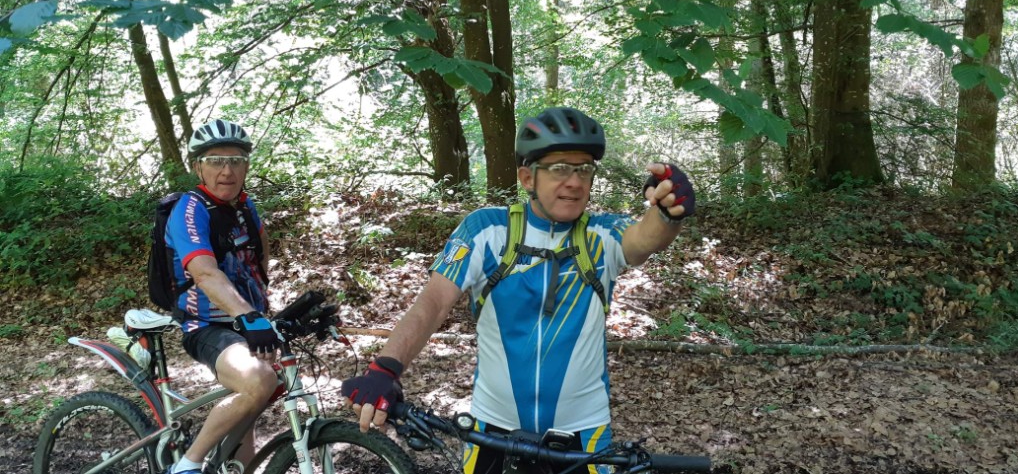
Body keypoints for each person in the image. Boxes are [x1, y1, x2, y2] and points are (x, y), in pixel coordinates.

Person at [341, 107, 695, 474]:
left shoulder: (602, 235)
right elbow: (432, 302)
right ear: (528, 177)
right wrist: (385, 368)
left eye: (584, 169)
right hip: (493, 431)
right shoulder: (487, 231)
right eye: (560, 168)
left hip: (584, 436)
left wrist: (668, 211)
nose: (575, 182)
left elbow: (645, 238)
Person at [163, 119, 280, 474]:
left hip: (247, 320)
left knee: (252, 407)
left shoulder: (245, 206)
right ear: (197, 167)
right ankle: (187, 464)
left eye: (236, 160)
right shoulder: (190, 209)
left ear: (246, 166)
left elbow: (261, 254)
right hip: (206, 326)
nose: (226, 170)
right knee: (259, 380)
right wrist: (250, 316)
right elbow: (205, 273)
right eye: (215, 161)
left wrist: (263, 307)